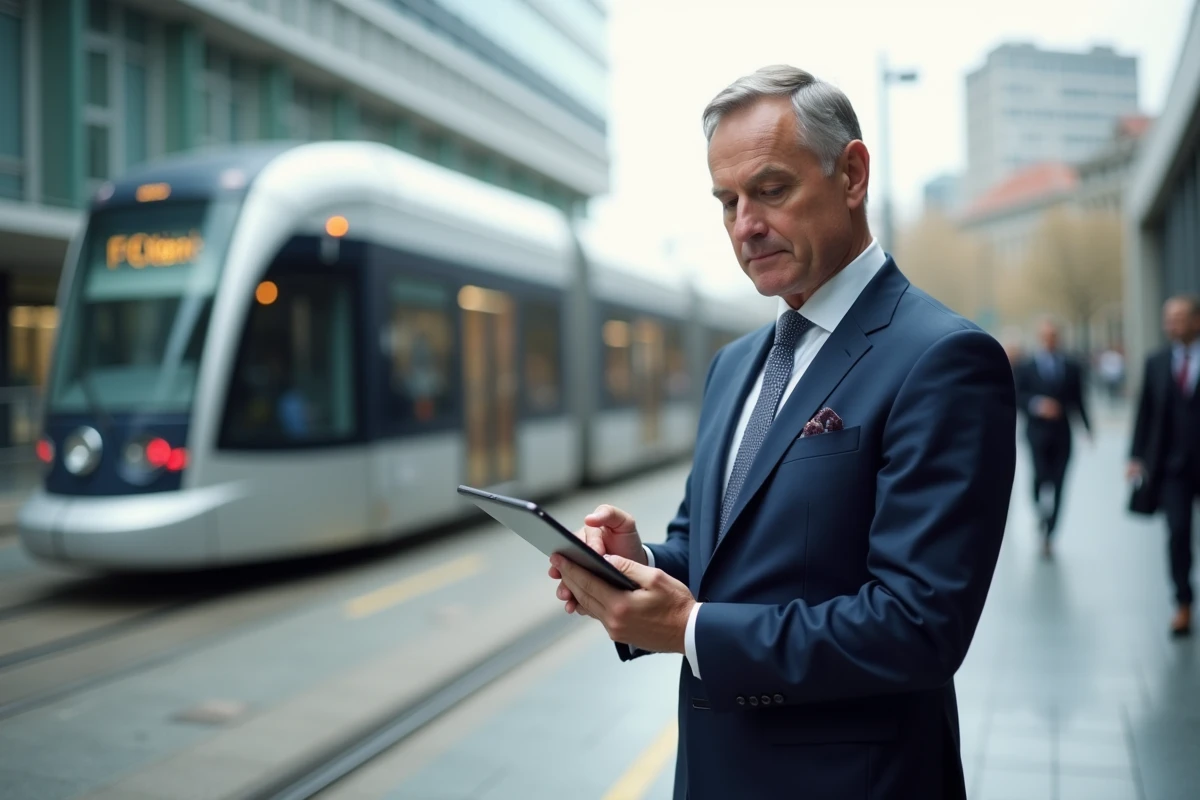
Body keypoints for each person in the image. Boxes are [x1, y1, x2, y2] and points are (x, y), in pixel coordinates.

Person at [547, 66, 1016, 800]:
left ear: (852, 175)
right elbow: (713, 552)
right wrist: (634, 565)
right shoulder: (735, 366)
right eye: (727, 201)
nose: (745, 225)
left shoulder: (943, 359)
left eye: (770, 190)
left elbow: (919, 627)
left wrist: (695, 629)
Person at [1128, 295, 1200, 637]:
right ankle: (1183, 603)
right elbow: (1145, 412)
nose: (1171, 324)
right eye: (1168, 318)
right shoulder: (1156, 362)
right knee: (1177, 534)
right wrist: (1135, 457)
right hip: (1172, 468)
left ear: (1196, 321)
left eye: (1179, 318)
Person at [1013, 318, 1092, 558]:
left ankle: (1050, 533)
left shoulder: (1071, 366)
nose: (1050, 340)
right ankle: (1040, 513)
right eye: (1045, 336)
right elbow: (1017, 396)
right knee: (1039, 478)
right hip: (1036, 433)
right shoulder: (1026, 366)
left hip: (1062, 434)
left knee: (1059, 483)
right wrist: (1038, 405)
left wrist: (1088, 429)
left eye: (1053, 336)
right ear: (1040, 338)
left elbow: (1079, 399)